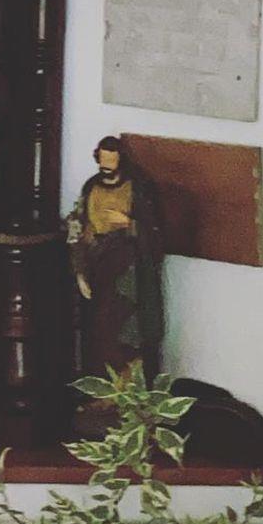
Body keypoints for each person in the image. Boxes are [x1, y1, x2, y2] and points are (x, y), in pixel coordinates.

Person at [66, 136, 164, 379]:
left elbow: (155, 231)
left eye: (111, 164)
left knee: (128, 335)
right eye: (103, 164)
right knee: (98, 332)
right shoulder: (91, 187)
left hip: (130, 275)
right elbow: (78, 227)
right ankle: (99, 388)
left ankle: (130, 388)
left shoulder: (137, 189)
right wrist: (80, 270)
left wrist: (130, 224)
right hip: (98, 269)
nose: (106, 169)